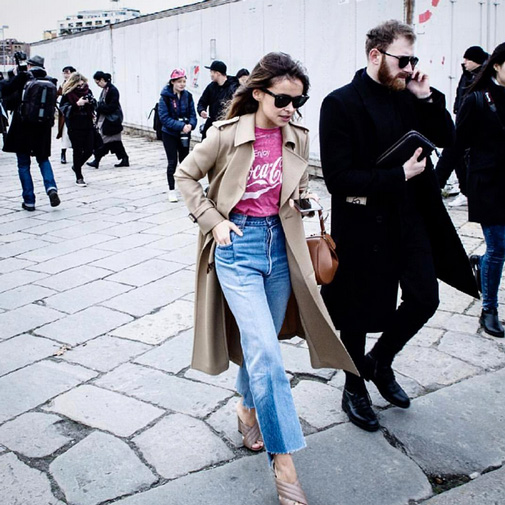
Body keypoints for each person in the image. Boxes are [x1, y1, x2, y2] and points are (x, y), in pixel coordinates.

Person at [175, 52, 356, 505]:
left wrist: (303, 198)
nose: (291, 108)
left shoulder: (297, 137)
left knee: (264, 345)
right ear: (258, 93)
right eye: (283, 100)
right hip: (238, 248)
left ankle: (246, 407)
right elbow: (185, 175)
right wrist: (213, 221)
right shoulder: (225, 135)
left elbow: (294, 186)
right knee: (269, 358)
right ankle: (284, 461)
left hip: (282, 247)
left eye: (299, 101)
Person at [319, 20, 479, 432]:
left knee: (425, 298)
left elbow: (448, 137)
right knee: (357, 312)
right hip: (363, 222)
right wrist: (397, 176)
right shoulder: (340, 103)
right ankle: (354, 386)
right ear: (376, 55)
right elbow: (338, 178)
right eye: (403, 60)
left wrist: (427, 98)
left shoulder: (410, 96)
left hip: (411, 218)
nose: (410, 68)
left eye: (413, 60)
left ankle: (380, 360)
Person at [454, 42, 505, 338]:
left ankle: (480, 264)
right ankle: (489, 310)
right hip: (487, 186)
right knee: (498, 247)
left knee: (498, 249)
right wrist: (444, 183)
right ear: (496, 65)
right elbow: (456, 146)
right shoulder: (477, 99)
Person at [2, 54, 60, 210]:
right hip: (43, 127)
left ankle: (29, 201)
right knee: (43, 159)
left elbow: (5, 91)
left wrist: (14, 76)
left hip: (23, 127)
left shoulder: (23, 77)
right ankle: (51, 188)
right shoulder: (51, 80)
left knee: (23, 164)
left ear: (29, 65)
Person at [436, 45, 489, 207]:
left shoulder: (484, 78)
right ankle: (463, 191)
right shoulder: (467, 74)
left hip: (477, 125)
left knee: (457, 152)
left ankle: (461, 190)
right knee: (456, 154)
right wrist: (457, 107)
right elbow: (460, 92)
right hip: (464, 118)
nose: (464, 62)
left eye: (468, 59)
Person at [158, 68, 197, 203]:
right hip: (169, 133)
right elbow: (164, 118)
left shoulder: (188, 96)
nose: (182, 84)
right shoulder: (165, 97)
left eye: (184, 81)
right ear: (172, 82)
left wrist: (191, 125)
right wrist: (181, 126)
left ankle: (186, 189)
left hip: (185, 133)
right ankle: (171, 190)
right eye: (179, 81)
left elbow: (193, 114)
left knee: (185, 162)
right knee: (172, 162)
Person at [60, 72, 97, 187]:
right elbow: (64, 109)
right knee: (77, 150)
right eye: (79, 85)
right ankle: (79, 177)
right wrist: (77, 104)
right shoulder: (68, 94)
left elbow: (95, 105)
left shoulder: (88, 91)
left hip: (88, 123)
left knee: (89, 149)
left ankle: (76, 166)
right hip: (74, 125)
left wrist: (90, 102)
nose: (81, 87)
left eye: (83, 84)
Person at [86, 71, 129, 168]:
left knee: (105, 141)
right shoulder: (106, 89)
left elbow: (112, 106)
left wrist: (98, 107)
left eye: (97, 82)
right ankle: (124, 158)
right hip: (108, 119)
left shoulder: (112, 90)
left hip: (111, 120)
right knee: (114, 141)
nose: (97, 85)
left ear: (102, 79)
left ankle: (97, 160)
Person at [197, 60, 238, 139]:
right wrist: (202, 110)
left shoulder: (233, 87)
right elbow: (202, 102)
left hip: (227, 126)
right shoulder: (211, 87)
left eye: (211, 72)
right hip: (212, 124)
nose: (210, 75)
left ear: (217, 73)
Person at [56, 65, 76, 164]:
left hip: (76, 112)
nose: (65, 75)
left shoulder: (77, 84)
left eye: (67, 72)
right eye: (64, 73)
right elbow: (57, 95)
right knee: (65, 134)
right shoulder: (62, 85)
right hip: (65, 113)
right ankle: (63, 154)